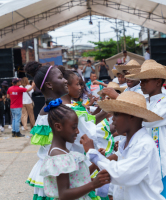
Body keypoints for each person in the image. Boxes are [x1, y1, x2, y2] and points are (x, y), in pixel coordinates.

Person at [24, 62, 110, 200]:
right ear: (49, 85)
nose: (65, 80)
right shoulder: (65, 111)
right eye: (60, 77)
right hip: (67, 172)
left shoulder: (45, 110)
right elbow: (89, 133)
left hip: (50, 172)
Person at [81, 91, 165, 200]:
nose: (113, 119)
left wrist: (93, 153)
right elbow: (122, 185)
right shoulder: (125, 144)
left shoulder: (144, 145)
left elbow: (121, 174)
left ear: (131, 116)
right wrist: (97, 185)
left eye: (116, 114)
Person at [124, 59, 166, 200]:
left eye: (145, 80)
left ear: (158, 82)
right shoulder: (144, 101)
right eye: (141, 81)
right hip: (151, 163)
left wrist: (122, 103)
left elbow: (150, 120)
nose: (141, 84)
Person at [40, 99, 111, 200]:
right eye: (74, 127)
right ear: (58, 127)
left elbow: (77, 177)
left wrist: (96, 164)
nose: (77, 131)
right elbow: (64, 195)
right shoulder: (59, 156)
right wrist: (93, 185)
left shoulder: (63, 152)